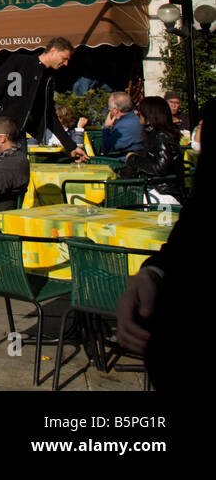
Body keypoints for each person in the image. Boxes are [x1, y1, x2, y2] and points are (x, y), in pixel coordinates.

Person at [117, 96, 210, 392]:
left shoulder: (159, 136)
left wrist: (133, 160)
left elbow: (157, 168)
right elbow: (188, 238)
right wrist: (152, 272)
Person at [0, 37, 87, 161]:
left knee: (18, 174)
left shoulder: (48, 77)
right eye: (64, 58)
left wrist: (70, 146)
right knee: (1, 173)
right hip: (2, 133)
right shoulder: (19, 62)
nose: (66, 63)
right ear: (53, 51)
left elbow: (49, 115)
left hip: (19, 134)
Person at [119, 96, 185, 187]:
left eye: (140, 109)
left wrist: (133, 158)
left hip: (161, 191)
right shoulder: (156, 132)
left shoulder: (160, 135)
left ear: (148, 113)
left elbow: (160, 167)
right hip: (157, 187)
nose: (137, 112)